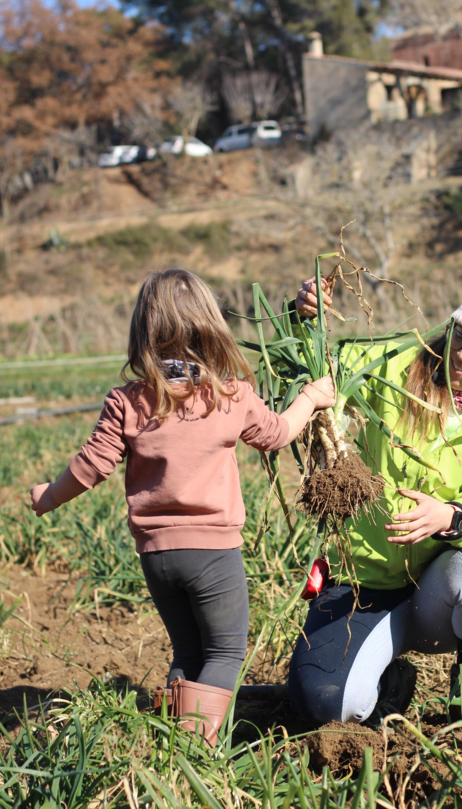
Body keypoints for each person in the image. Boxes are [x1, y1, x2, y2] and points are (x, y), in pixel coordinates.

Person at [29, 269, 335, 744]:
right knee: (226, 651)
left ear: (144, 331)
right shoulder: (228, 396)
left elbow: (91, 467)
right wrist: (312, 398)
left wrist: (48, 496)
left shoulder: (129, 401)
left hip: (156, 557)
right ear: (210, 326)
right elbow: (276, 434)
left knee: (189, 653)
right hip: (212, 554)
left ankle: (169, 743)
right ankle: (195, 749)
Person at [288, 258, 462, 725]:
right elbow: (313, 371)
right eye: (461, 334)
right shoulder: (392, 364)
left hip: (437, 590)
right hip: (362, 582)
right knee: (325, 706)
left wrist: (451, 517)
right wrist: (306, 320)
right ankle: (389, 683)